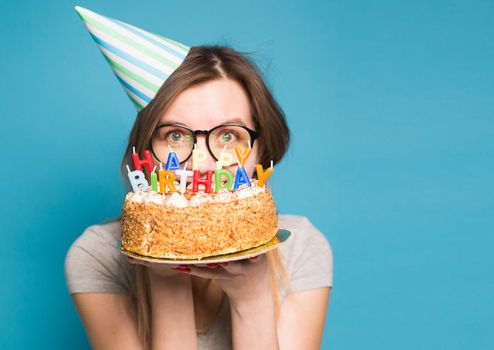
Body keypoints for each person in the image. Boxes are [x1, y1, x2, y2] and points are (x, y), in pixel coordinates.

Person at [65, 7, 332, 350]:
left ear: (261, 148)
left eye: (228, 135)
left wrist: (252, 299)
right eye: (176, 135)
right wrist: (165, 275)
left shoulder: (302, 248)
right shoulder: (96, 254)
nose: (202, 163)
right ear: (146, 149)